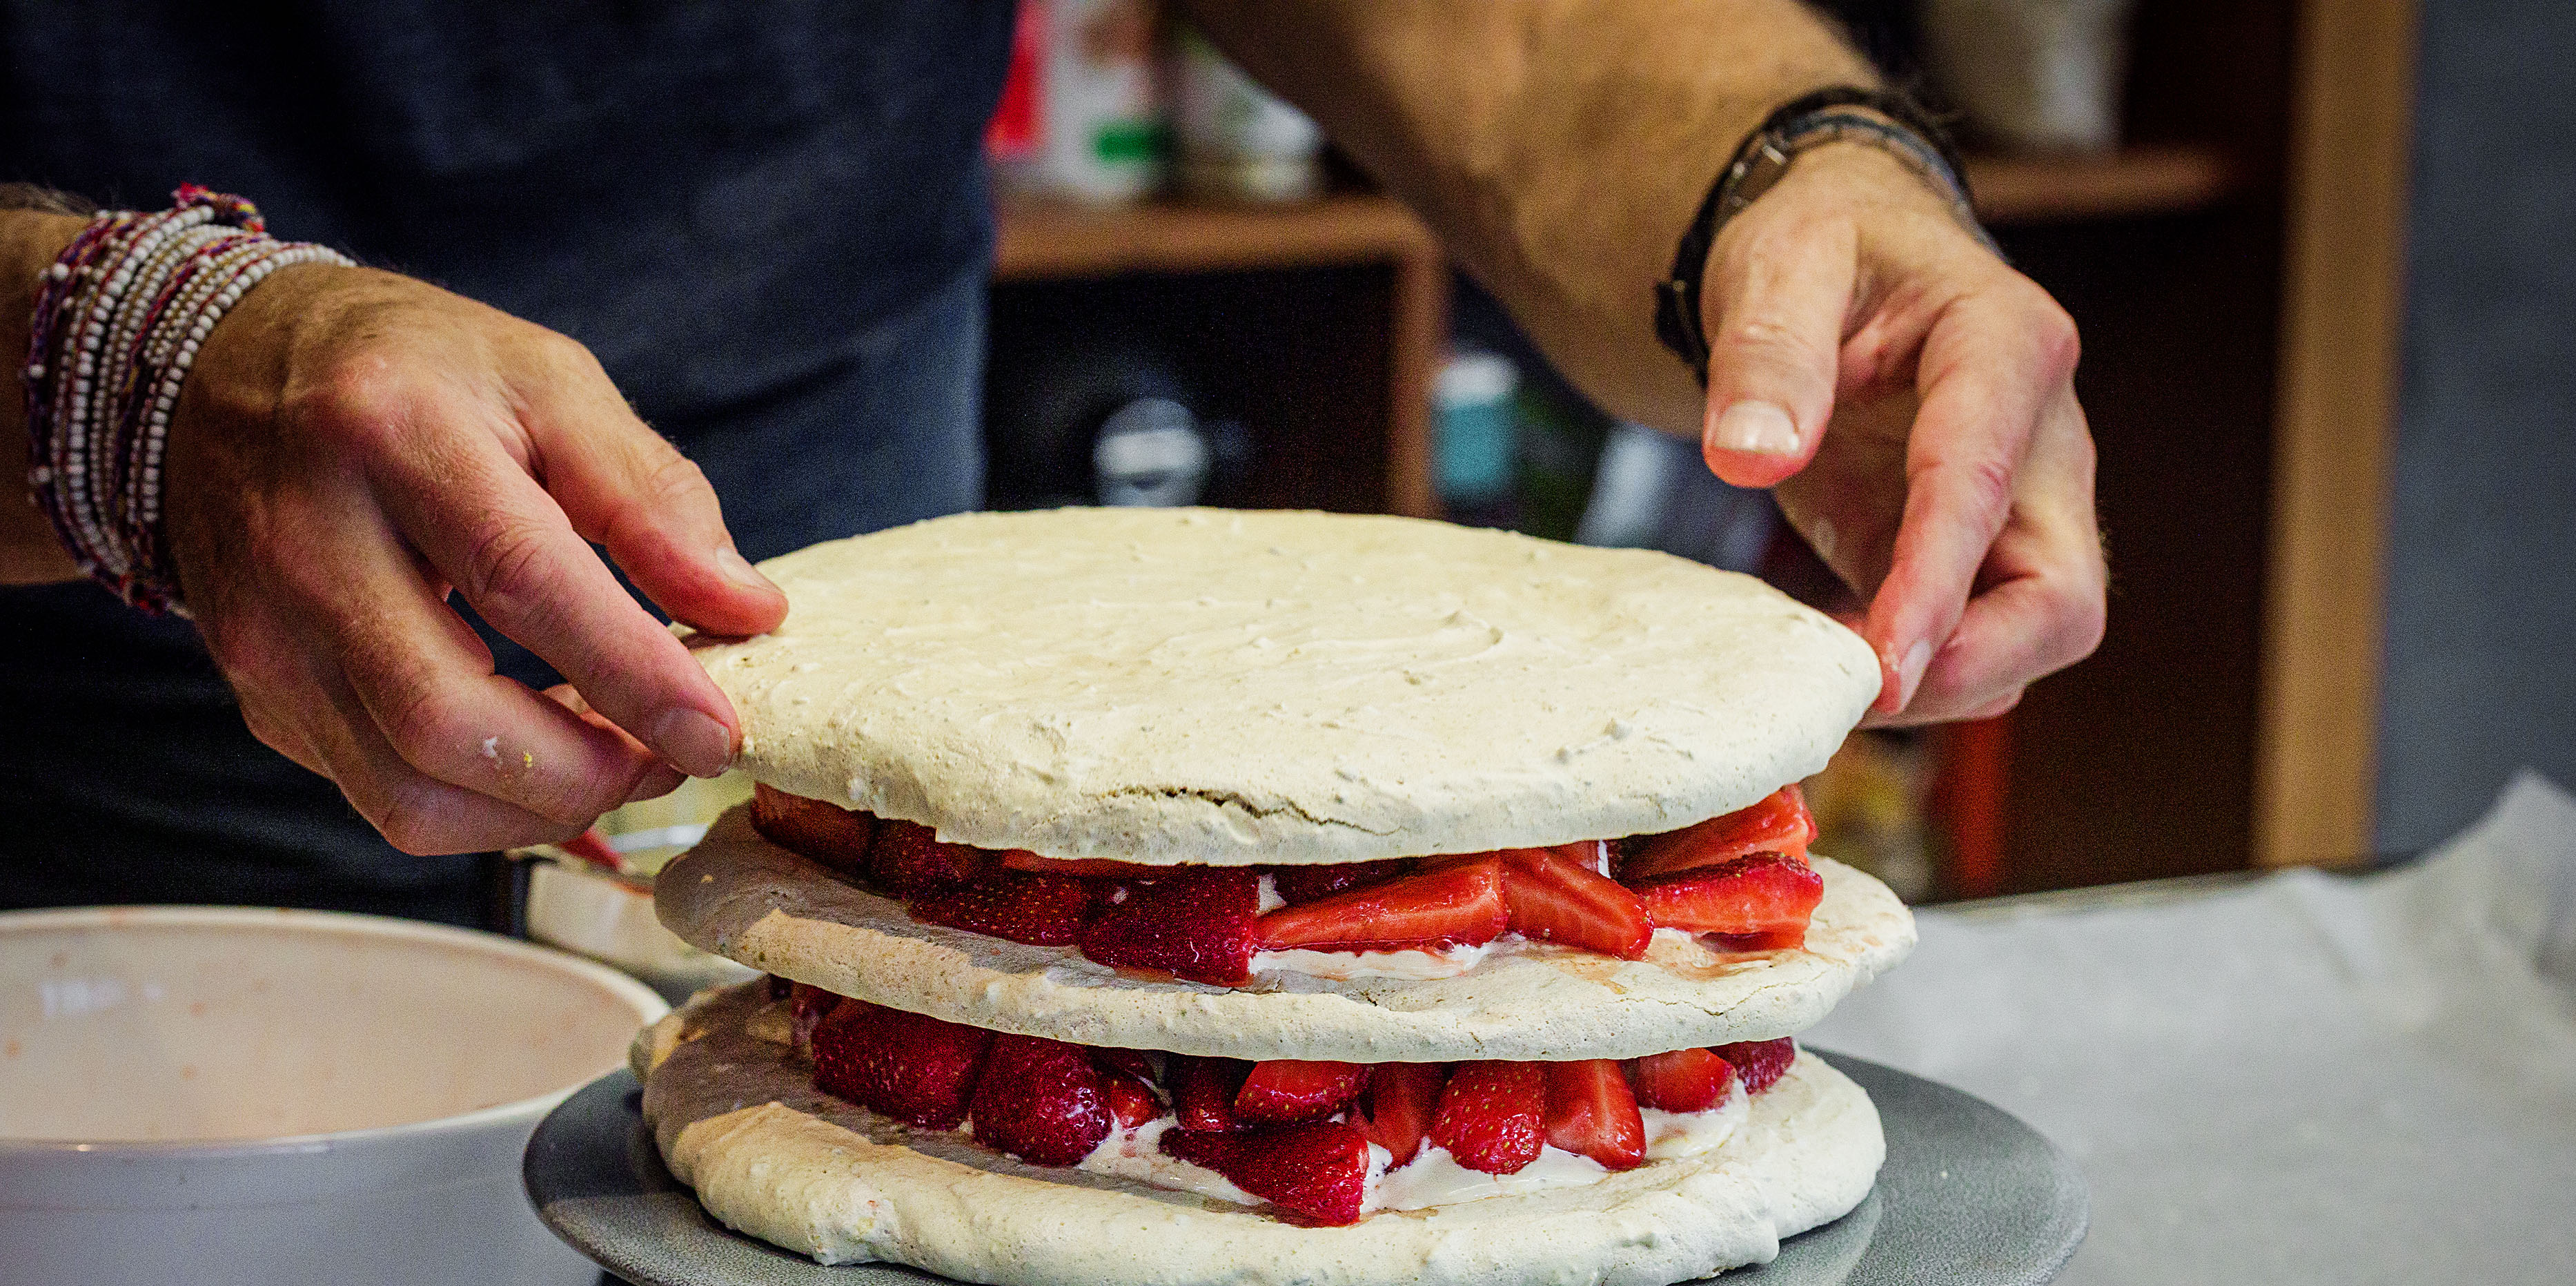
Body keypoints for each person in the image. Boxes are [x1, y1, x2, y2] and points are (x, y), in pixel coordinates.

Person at [0, 1, 2102, 919]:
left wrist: (1795, 182)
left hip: (880, 763)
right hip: (76, 802)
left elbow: (1508, 27)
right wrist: (100, 368)